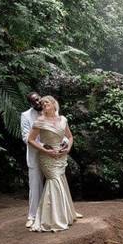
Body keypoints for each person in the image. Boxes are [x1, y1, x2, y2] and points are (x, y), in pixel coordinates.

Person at [26, 95, 81, 232]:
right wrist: (45, 150)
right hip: (47, 157)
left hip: (61, 156)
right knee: (54, 181)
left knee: (61, 181)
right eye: (43, 104)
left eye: (47, 102)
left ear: (54, 104)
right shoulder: (40, 121)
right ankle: (51, 220)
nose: (44, 105)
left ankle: (65, 215)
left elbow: (69, 136)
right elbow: (30, 140)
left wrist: (68, 148)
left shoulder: (62, 119)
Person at [20, 91, 44, 229]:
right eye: (33, 101)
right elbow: (25, 137)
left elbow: (59, 129)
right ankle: (32, 216)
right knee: (35, 185)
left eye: (38, 99)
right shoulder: (25, 115)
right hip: (35, 154)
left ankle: (63, 211)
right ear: (30, 103)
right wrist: (41, 146)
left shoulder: (50, 110)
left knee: (57, 181)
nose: (37, 102)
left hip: (51, 153)